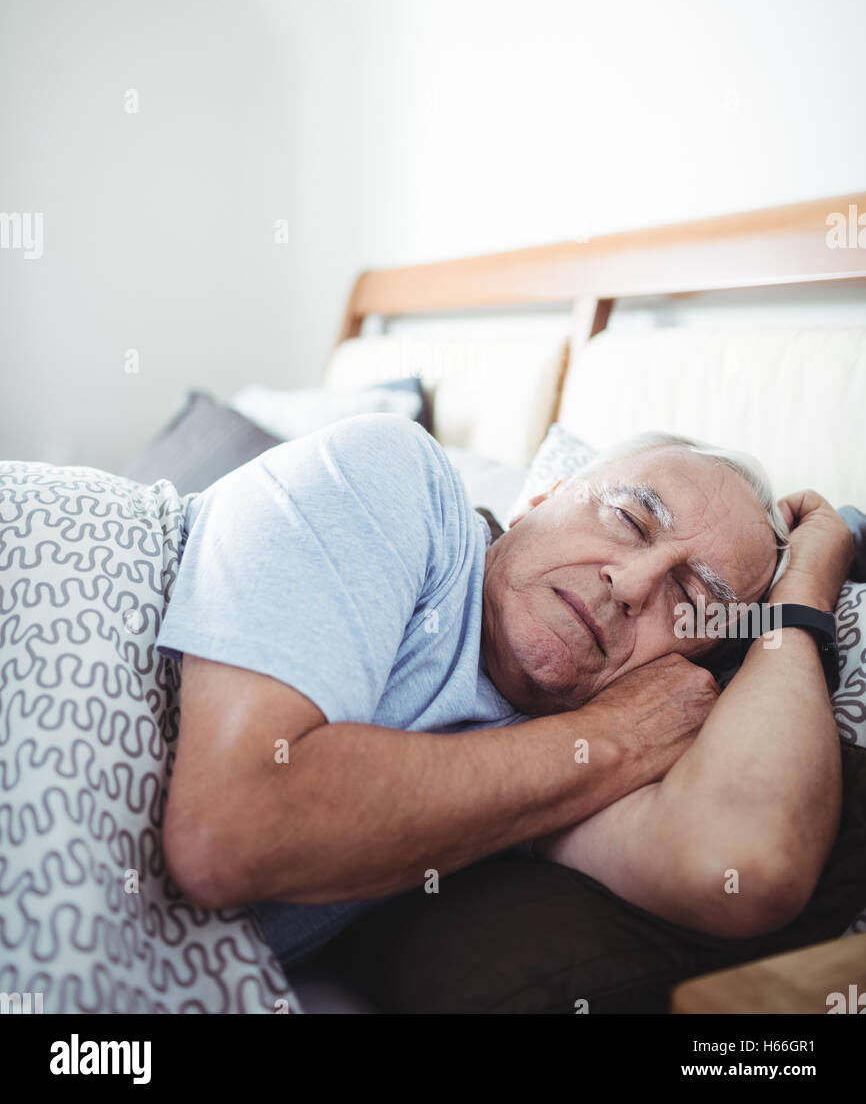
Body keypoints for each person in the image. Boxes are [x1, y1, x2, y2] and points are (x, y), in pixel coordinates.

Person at [157, 413, 854, 969]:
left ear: (686, 663)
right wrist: (615, 737)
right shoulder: (397, 475)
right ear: (540, 501)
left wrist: (798, 606)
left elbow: (743, 864)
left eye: (691, 596)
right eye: (631, 519)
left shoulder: (550, 766)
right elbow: (235, 824)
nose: (634, 584)